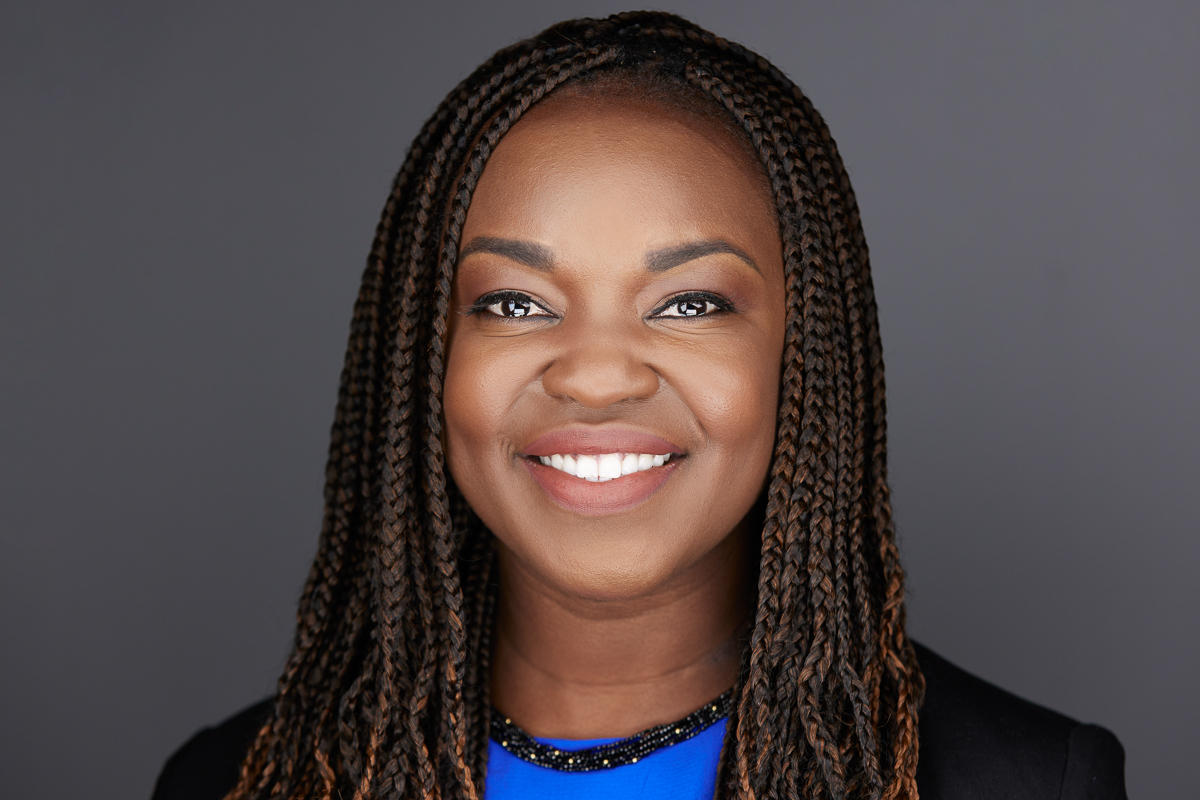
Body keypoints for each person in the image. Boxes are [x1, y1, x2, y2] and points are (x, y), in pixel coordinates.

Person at [152, 12, 1127, 800]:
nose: (598, 374)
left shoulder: (1029, 780)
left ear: (806, 354)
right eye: (515, 303)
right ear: (424, 355)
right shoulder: (236, 780)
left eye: (691, 303)